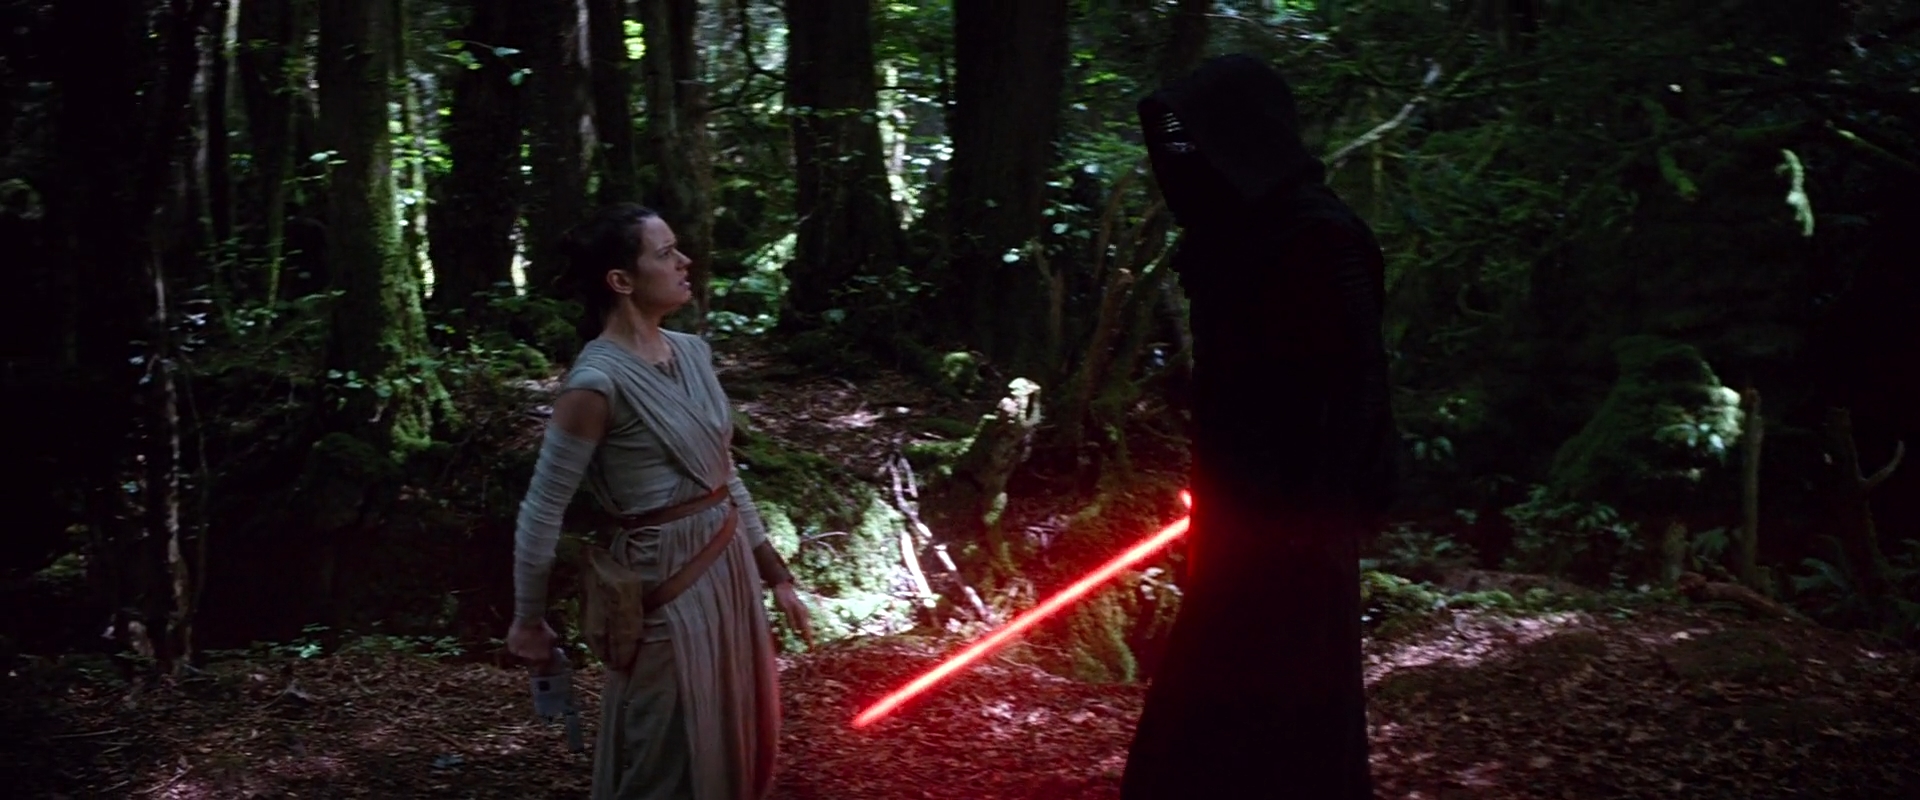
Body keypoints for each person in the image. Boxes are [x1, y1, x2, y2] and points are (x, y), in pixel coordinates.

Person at [1120, 55, 1401, 799]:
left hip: (1300, 518)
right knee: (1214, 701)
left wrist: (1319, 509)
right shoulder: (1233, 239)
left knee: (1291, 704)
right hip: (1236, 509)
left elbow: (1356, 380)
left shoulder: (1320, 237)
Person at [505, 203, 816, 800]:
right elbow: (543, 509)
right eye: (666, 252)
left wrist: (773, 571)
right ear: (621, 280)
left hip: (727, 567)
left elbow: (721, 473)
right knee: (665, 750)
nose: (685, 261)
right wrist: (528, 619)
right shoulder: (595, 385)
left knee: (739, 733)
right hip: (664, 580)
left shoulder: (693, 352)